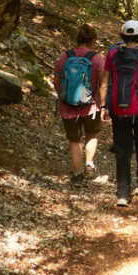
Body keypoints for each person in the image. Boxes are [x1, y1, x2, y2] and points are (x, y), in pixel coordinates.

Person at [99, 19, 138, 207]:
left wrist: (104, 106)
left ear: (123, 35)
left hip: (118, 107)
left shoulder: (113, 53)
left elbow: (105, 82)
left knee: (122, 149)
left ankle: (123, 193)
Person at [52, 23, 104, 184]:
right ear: (93, 41)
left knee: (75, 140)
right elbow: (103, 83)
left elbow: (57, 80)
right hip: (91, 107)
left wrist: (64, 96)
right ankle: (89, 163)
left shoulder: (65, 56)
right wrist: (104, 103)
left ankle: (77, 174)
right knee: (92, 134)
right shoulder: (97, 58)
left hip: (68, 107)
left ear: (77, 39)